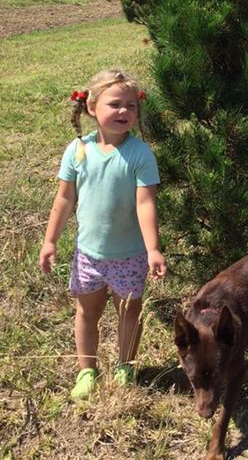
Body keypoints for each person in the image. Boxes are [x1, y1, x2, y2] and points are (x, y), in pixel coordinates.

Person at [39, 69, 167, 400]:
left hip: (130, 255)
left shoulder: (140, 155)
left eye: (131, 106)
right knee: (87, 312)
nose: (124, 111)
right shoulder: (78, 150)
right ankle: (87, 370)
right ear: (92, 107)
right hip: (88, 255)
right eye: (115, 104)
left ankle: (125, 365)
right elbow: (64, 200)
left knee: (129, 313)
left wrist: (153, 249)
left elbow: (145, 204)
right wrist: (50, 240)